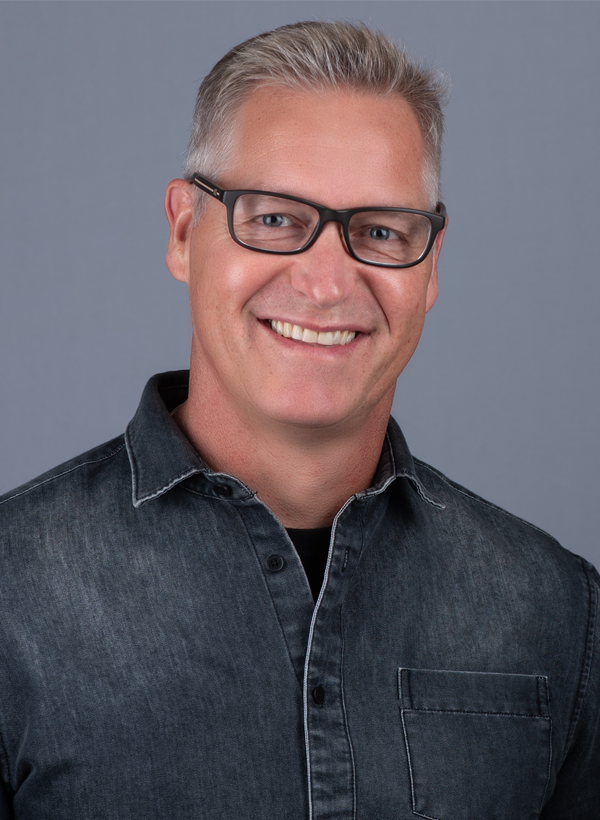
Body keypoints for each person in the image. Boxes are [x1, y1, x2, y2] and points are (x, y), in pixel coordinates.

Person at [0, 20, 597, 820]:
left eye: (381, 232)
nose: (325, 283)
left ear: (431, 268)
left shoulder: (558, 609)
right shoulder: (13, 594)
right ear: (184, 231)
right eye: (275, 218)